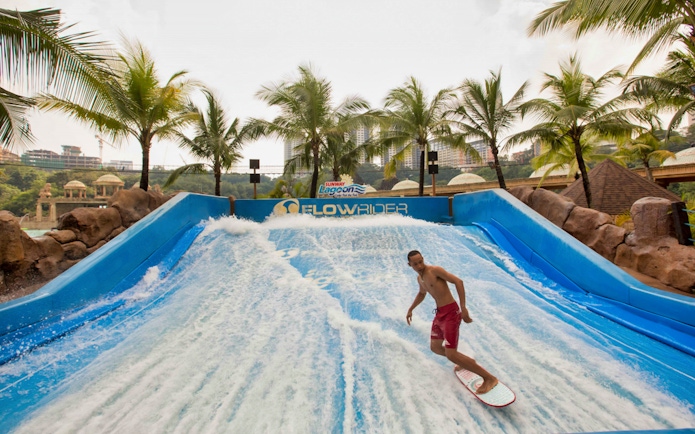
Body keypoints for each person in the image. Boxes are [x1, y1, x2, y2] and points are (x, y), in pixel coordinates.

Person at [405, 250, 498, 394]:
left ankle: (489, 378)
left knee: (451, 354)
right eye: (415, 264)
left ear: (423, 259)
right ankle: (464, 361)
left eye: (420, 261)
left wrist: (463, 308)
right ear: (409, 264)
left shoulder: (434, 271)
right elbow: (422, 293)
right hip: (440, 314)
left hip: (451, 314)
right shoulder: (420, 279)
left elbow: (458, 281)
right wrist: (411, 309)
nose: (419, 265)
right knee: (435, 347)